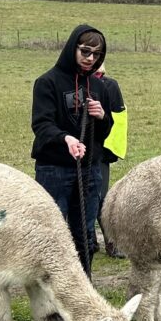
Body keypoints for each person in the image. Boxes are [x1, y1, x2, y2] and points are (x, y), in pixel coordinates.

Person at [31, 24, 113, 276]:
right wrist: (65, 138)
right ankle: (50, 291)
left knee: (85, 234)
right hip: (54, 169)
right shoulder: (47, 82)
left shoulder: (99, 87)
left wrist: (102, 117)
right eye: (85, 52)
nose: (90, 59)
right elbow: (41, 125)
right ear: (72, 48)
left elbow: (104, 133)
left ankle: (83, 287)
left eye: (96, 55)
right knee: (51, 232)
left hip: (89, 171)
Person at [90, 60, 127, 258]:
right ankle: (91, 240)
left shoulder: (108, 86)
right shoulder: (78, 83)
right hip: (80, 147)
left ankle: (111, 242)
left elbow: (115, 120)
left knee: (100, 197)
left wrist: (109, 149)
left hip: (100, 150)